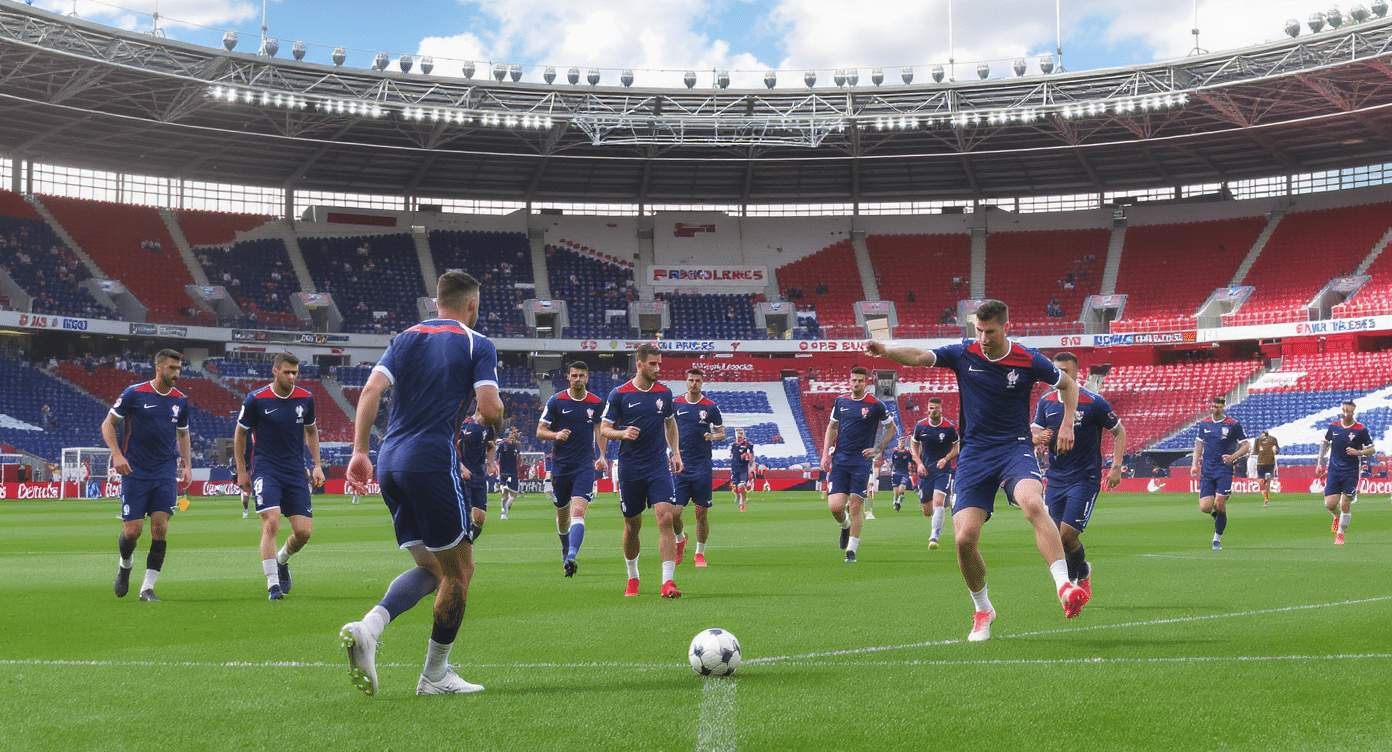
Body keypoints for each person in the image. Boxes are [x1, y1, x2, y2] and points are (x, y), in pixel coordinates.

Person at [867, 299, 1083, 642]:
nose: (982, 337)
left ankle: (1063, 586)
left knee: (1032, 503)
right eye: (978, 330)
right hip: (973, 455)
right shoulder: (964, 353)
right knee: (964, 538)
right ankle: (983, 609)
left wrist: (1068, 423)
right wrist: (885, 349)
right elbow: (922, 357)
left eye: (990, 331)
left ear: (1005, 326)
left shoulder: (1027, 358)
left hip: (1014, 448)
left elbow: (1069, 386)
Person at [339, 272, 503, 697]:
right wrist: (497, 415)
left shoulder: (405, 337)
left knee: (430, 567)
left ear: (436, 301)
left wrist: (360, 451)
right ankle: (435, 674)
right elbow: (488, 407)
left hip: (390, 460)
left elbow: (372, 389)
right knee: (460, 570)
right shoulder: (477, 343)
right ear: (471, 304)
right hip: (431, 460)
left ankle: (369, 628)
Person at [1030, 352, 1126, 609]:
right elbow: (1035, 431)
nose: (1061, 375)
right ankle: (1082, 572)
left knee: (1067, 534)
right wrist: (1038, 438)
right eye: (1056, 370)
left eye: (1066, 370)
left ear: (1076, 372)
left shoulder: (1094, 402)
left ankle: (1072, 580)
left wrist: (1116, 467)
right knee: (1058, 538)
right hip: (1056, 478)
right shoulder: (1046, 402)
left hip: (1085, 478)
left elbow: (1119, 432)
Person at [102, 349, 192, 603]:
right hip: (135, 471)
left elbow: (183, 434)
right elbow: (108, 424)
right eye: (172, 368)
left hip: (165, 472)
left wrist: (186, 464)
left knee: (160, 528)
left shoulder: (180, 399)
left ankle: (147, 588)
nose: (176, 373)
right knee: (132, 532)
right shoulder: (134, 393)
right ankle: (125, 563)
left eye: (178, 369)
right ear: (159, 368)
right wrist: (117, 455)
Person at [235, 353, 325, 601]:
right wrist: (242, 471)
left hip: (296, 471)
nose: (292, 377)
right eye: (287, 372)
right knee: (271, 522)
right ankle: (273, 585)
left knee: (304, 532)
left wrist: (316, 465)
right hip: (266, 469)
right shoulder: (256, 399)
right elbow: (240, 435)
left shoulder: (306, 398)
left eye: (295, 372)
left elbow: (311, 431)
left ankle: (282, 559)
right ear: (275, 372)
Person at [601, 343, 684, 598]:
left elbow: (670, 424)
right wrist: (622, 433)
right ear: (639, 363)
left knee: (665, 517)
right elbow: (604, 428)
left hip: (658, 465)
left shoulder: (665, 393)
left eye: (660, 364)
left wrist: (676, 452)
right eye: (652, 364)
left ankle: (667, 583)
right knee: (632, 527)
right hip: (630, 468)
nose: (658, 368)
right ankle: (633, 577)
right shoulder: (620, 394)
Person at [536, 360, 607, 578]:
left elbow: (600, 429)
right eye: (574, 375)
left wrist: (603, 455)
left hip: (584, 465)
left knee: (578, 512)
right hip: (561, 467)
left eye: (582, 376)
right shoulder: (556, 401)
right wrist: (555, 435)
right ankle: (566, 549)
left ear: (587, 377)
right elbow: (540, 431)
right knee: (563, 517)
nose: (578, 379)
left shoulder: (596, 403)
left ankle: (572, 556)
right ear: (568, 377)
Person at [821, 366, 896, 563]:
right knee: (835, 507)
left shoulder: (875, 404)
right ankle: (845, 526)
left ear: (866, 382)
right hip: (840, 460)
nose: (856, 384)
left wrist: (878, 448)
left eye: (860, 381)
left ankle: (851, 551)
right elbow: (832, 427)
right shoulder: (841, 401)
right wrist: (824, 454)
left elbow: (891, 428)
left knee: (855, 506)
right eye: (853, 380)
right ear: (850, 381)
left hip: (861, 462)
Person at [672, 367, 726, 568]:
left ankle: (699, 553)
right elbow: (667, 428)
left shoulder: (710, 407)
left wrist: (712, 436)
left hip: (702, 465)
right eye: (691, 380)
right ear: (686, 381)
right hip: (681, 465)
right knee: (674, 512)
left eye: (697, 380)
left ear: (702, 383)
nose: (694, 383)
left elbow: (722, 433)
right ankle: (680, 539)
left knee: (701, 513)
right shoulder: (675, 404)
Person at [1191, 396, 1250, 551]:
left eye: (1217, 406)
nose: (1214, 409)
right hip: (1208, 469)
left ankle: (1216, 540)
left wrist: (1233, 457)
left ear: (1223, 407)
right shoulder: (1204, 424)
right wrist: (1194, 463)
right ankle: (1219, 516)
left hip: (1224, 468)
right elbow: (1199, 444)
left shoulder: (1233, 424)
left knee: (1220, 503)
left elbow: (1246, 445)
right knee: (1205, 507)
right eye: (1212, 406)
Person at [1315, 401, 1374, 545]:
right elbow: (1325, 443)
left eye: (1349, 411)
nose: (1346, 413)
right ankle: (1337, 517)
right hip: (1334, 470)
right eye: (1344, 410)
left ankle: (1340, 534)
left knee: (1345, 504)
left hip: (1351, 472)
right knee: (1329, 504)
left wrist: (1358, 452)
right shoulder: (1334, 426)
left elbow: (1372, 449)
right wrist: (1319, 462)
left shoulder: (1360, 430)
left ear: (1353, 413)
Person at [910, 397, 959, 549]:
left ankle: (934, 538)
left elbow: (957, 447)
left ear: (940, 409)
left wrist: (946, 459)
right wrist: (918, 464)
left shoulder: (949, 428)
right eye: (931, 408)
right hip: (925, 472)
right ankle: (947, 498)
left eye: (936, 408)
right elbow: (914, 445)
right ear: (927, 409)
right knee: (927, 511)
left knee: (938, 501)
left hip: (942, 471)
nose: (933, 411)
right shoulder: (921, 426)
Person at [456, 414, 496, 541]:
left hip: (479, 474)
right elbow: (451, 447)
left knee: (480, 519)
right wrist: (461, 467)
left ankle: (469, 542)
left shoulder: (488, 427)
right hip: (463, 474)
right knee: (465, 513)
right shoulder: (462, 425)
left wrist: (490, 462)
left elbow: (491, 445)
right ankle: (464, 550)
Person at [495, 428, 521, 519]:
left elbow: (497, 456)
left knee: (504, 492)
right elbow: (518, 458)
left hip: (503, 471)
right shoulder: (516, 445)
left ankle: (503, 512)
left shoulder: (502, 444)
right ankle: (505, 511)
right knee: (514, 494)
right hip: (512, 471)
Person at [729, 429, 756, 512]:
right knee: (735, 485)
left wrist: (748, 456)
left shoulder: (747, 445)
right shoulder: (733, 445)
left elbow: (752, 456)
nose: (739, 435)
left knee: (742, 485)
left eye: (741, 433)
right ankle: (738, 496)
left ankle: (742, 504)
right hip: (735, 467)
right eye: (738, 433)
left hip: (743, 467)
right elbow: (731, 456)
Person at [888, 436, 916, 512]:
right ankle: (896, 502)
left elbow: (911, 461)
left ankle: (898, 502)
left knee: (901, 489)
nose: (902, 443)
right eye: (901, 442)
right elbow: (892, 462)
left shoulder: (908, 452)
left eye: (903, 442)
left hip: (904, 473)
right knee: (896, 491)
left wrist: (910, 466)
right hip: (895, 472)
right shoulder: (895, 451)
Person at [1253, 430, 1280, 506]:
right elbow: (1255, 451)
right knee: (1262, 482)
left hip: (1270, 463)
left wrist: (1275, 450)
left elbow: (1277, 450)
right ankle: (1265, 492)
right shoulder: (1258, 440)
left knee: (1267, 481)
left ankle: (1266, 499)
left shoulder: (1273, 439)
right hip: (1261, 463)